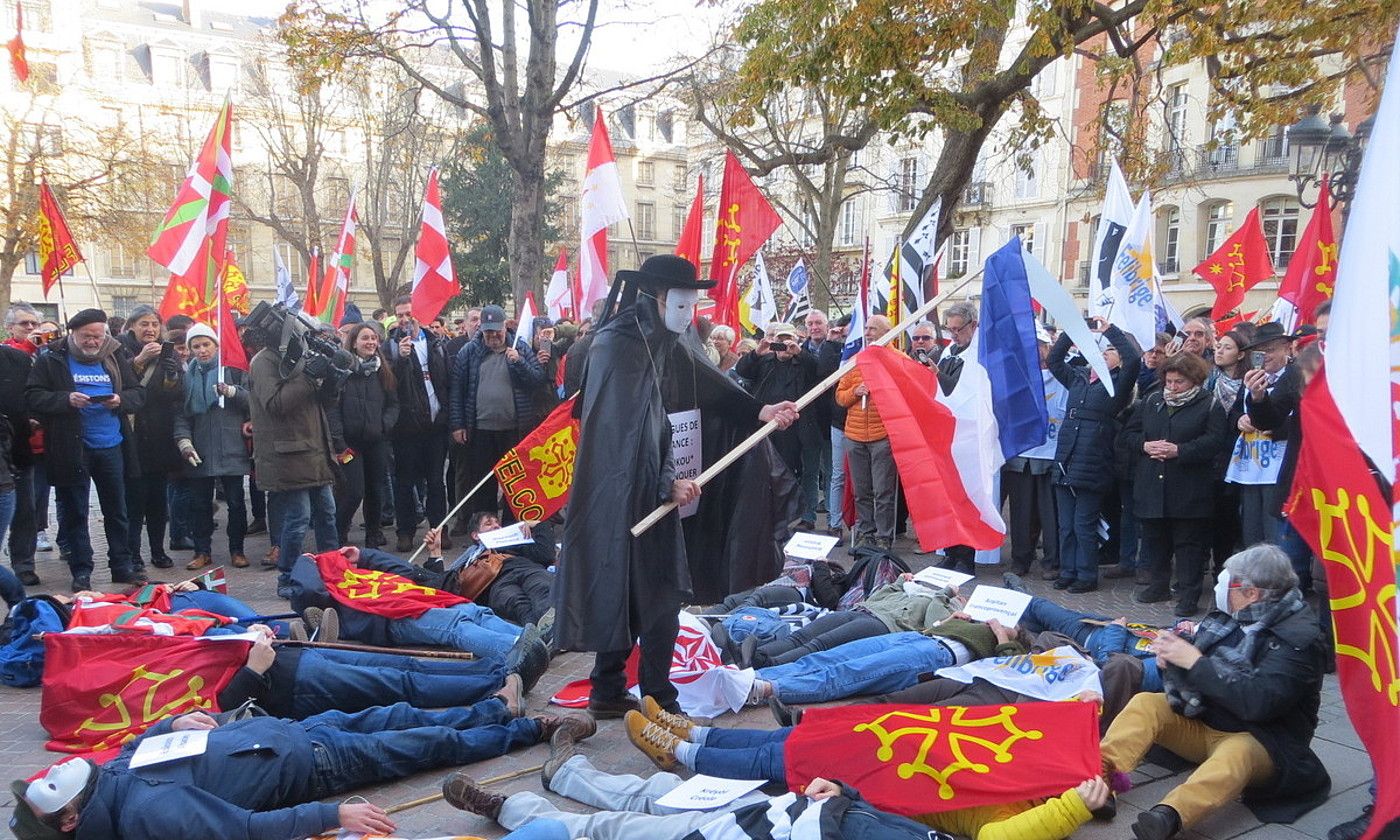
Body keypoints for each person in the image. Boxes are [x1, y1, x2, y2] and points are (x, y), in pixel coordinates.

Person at [556, 254, 798, 719]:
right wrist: (668, 482)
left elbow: (706, 383)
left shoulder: (665, 338)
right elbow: (626, 427)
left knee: (640, 591)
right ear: (655, 297)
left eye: (693, 303)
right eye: (682, 302)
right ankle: (656, 699)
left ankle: (609, 691)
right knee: (654, 594)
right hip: (622, 494)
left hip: (649, 487)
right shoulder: (618, 343)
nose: (690, 312)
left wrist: (758, 411)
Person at [13, 701, 586, 840]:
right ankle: (528, 730)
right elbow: (242, 829)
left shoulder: (106, 783)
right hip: (307, 764)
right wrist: (331, 813)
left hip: (286, 732)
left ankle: (495, 706)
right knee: (425, 743)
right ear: (69, 819)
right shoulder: (146, 813)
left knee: (399, 715)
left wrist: (166, 728)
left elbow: (128, 750)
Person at [1100, 544, 1329, 840]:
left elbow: (1257, 703)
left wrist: (1193, 662)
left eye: (1230, 580)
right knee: (1146, 703)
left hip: (1265, 740)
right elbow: (1199, 675)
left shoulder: (1301, 640)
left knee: (1238, 753)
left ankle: (1170, 815)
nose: (1221, 584)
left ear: (1252, 594)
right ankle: (1100, 781)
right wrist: (1173, 662)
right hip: (1208, 720)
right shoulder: (1231, 617)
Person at [446, 752, 1095, 840]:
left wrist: (1074, 809)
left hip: (752, 836)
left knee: (611, 831)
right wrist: (837, 791)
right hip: (791, 806)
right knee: (668, 790)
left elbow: (997, 839)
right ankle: (568, 769)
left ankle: (506, 809)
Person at [26, 308, 147, 591]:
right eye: (87, 336)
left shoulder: (115, 355)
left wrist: (120, 399)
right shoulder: (52, 358)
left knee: (117, 509)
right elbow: (33, 396)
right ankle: (81, 570)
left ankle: (122, 565)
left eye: (98, 335)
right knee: (75, 511)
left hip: (111, 445)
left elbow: (137, 393)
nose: (93, 342)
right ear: (73, 334)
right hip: (72, 447)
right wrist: (66, 399)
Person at [1123, 352, 1229, 615]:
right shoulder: (1152, 401)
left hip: (1188, 487)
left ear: (1193, 380)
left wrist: (1180, 451)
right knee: (1155, 539)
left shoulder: (1209, 404)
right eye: (1169, 381)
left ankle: (1188, 593)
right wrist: (1145, 445)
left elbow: (1215, 441)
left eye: (1179, 382)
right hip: (1152, 485)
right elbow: (1129, 434)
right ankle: (1158, 584)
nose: (1172, 387)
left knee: (1188, 544)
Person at [247, 314, 345, 598]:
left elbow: (319, 403)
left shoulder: (297, 356)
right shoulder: (264, 362)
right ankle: (287, 577)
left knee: (327, 513)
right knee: (298, 518)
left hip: (313, 450)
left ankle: (333, 571)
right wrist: (310, 376)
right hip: (288, 455)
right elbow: (276, 404)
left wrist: (331, 383)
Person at [1047, 316, 1141, 593]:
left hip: (1093, 457)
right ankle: (1068, 570)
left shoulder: (1118, 384)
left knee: (1083, 523)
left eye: (1110, 351)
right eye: (1102, 348)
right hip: (1068, 456)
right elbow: (1054, 361)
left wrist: (1111, 331)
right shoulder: (1078, 378)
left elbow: (1134, 360)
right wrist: (1072, 331)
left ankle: (1086, 575)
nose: (1103, 352)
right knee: (1066, 524)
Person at [449, 303, 546, 524]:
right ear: (481, 329)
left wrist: (519, 362)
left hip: (514, 430)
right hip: (481, 430)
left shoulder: (520, 347)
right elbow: (457, 390)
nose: (493, 336)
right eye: (488, 331)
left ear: (505, 327)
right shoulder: (469, 352)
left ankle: (513, 529)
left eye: (497, 331)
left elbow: (537, 382)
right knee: (484, 485)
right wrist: (458, 425)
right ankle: (487, 530)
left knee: (515, 484)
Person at [173, 324, 251, 571]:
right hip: (200, 450)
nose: (201, 350)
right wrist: (184, 442)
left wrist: (232, 392)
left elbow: (253, 402)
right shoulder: (187, 378)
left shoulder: (233, 371)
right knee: (200, 505)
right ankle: (202, 551)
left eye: (206, 344)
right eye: (195, 346)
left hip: (231, 448)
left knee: (236, 502)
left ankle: (237, 550)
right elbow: (182, 416)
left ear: (217, 346)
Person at [116, 305, 182, 572]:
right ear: (132, 326)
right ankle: (133, 553)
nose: (150, 329)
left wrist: (172, 373)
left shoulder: (168, 350)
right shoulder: (119, 349)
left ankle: (158, 550)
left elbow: (176, 393)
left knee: (157, 500)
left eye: (154, 324)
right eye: (144, 324)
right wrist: (139, 360)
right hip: (131, 435)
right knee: (134, 500)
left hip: (159, 434)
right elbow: (118, 384)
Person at [1224, 322, 1300, 547]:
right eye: (1260, 352)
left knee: (1275, 529)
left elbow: (1302, 419)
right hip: (1251, 466)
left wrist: (1278, 428)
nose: (1265, 356)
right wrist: (1240, 419)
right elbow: (1234, 413)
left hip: (1281, 466)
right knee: (1252, 527)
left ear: (1287, 348)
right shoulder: (1252, 378)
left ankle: (1278, 576)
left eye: (1271, 350)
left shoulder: (1296, 376)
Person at [385, 296, 452, 552]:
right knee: (405, 482)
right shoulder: (390, 347)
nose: (404, 319)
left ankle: (439, 528)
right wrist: (401, 360)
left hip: (435, 426)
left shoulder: (435, 343)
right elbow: (390, 385)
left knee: (436, 481)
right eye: (399, 314)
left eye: (408, 314)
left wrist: (447, 414)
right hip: (406, 428)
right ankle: (406, 532)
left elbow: (445, 380)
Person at [1002, 327, 1066, 578]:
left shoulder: (1064, 375)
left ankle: (1052, 561)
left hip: (1051, 454)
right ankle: (1021, 558)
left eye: (1040, 345)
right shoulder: (1014, 376)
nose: (1035, 350)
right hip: (1022, 454)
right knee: (1021, 513)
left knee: (1050, 513)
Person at [735, 323, 818, 507]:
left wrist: (799, 353)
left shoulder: (802, 362)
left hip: (793, 427)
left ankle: (793, 512)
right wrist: (757, 352)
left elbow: (817, 370)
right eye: (779, 341)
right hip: (765, 424)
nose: (783, 346)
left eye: (787, 341)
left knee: (789, 470)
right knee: (763, 469)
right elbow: (741, 370)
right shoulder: (765, 361)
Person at [332, 322, 398, 548]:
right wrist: (339, 441)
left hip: (376, 441)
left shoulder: (384, 371)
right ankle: (339, 533)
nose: (370, 342)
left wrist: (384, 425)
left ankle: (373, 533)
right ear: (354, 342)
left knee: (375, 490)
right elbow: (332, 408)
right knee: (353, 492)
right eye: (364, 338)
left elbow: (393, 404)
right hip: (350, 444)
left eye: (373, 338)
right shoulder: (342, 371)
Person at [836, 315, 895, 548]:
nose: (868, 332)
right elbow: (840, 397)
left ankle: (883, 536)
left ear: (886, 331)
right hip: (854, 435)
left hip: (883, 435)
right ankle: (866, 532)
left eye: (873, 329)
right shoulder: (854, 361)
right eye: (867, 328)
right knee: (861, 491)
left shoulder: (896, 360)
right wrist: (855, 392)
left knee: (883, 491)